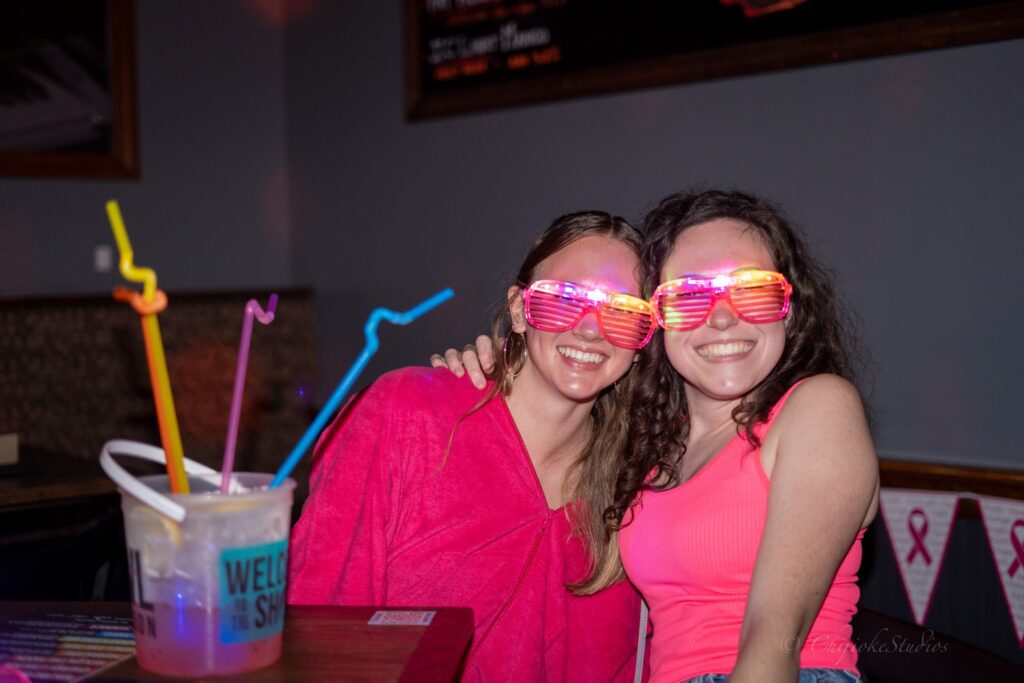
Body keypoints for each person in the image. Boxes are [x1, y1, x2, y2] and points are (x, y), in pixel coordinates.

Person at [433, 189, 880, 683]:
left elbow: (773, 640)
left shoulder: (819, 407)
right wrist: (490, 363)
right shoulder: (649, 444)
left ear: (789, 308)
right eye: (688, 297)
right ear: (654, 323)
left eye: (752, 290)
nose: (722, 317)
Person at [288, 211, 656, 682]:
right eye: (562, 299)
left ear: (643, 339)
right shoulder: (403, 414)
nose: (590, 328)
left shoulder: (638, 492)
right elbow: (319, 615)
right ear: (520, 310)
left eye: (622, 312)